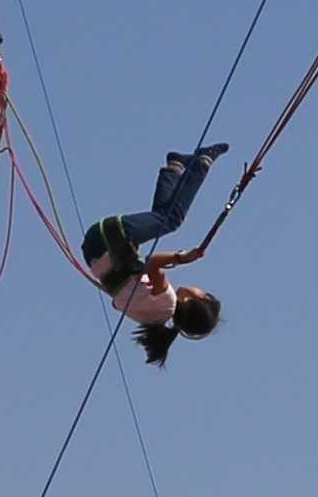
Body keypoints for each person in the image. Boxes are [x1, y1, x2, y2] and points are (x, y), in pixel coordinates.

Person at [83, 144, 229, 364]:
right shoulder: (148, 318)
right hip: (92, 250)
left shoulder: (168, 301)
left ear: (195, 300)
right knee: (161, 216)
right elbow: (117, 302)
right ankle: (176, 165)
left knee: (171, 220)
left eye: (203, 292)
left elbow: (153, 263)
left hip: (110, 238)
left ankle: (202, 162)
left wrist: (182, 257)